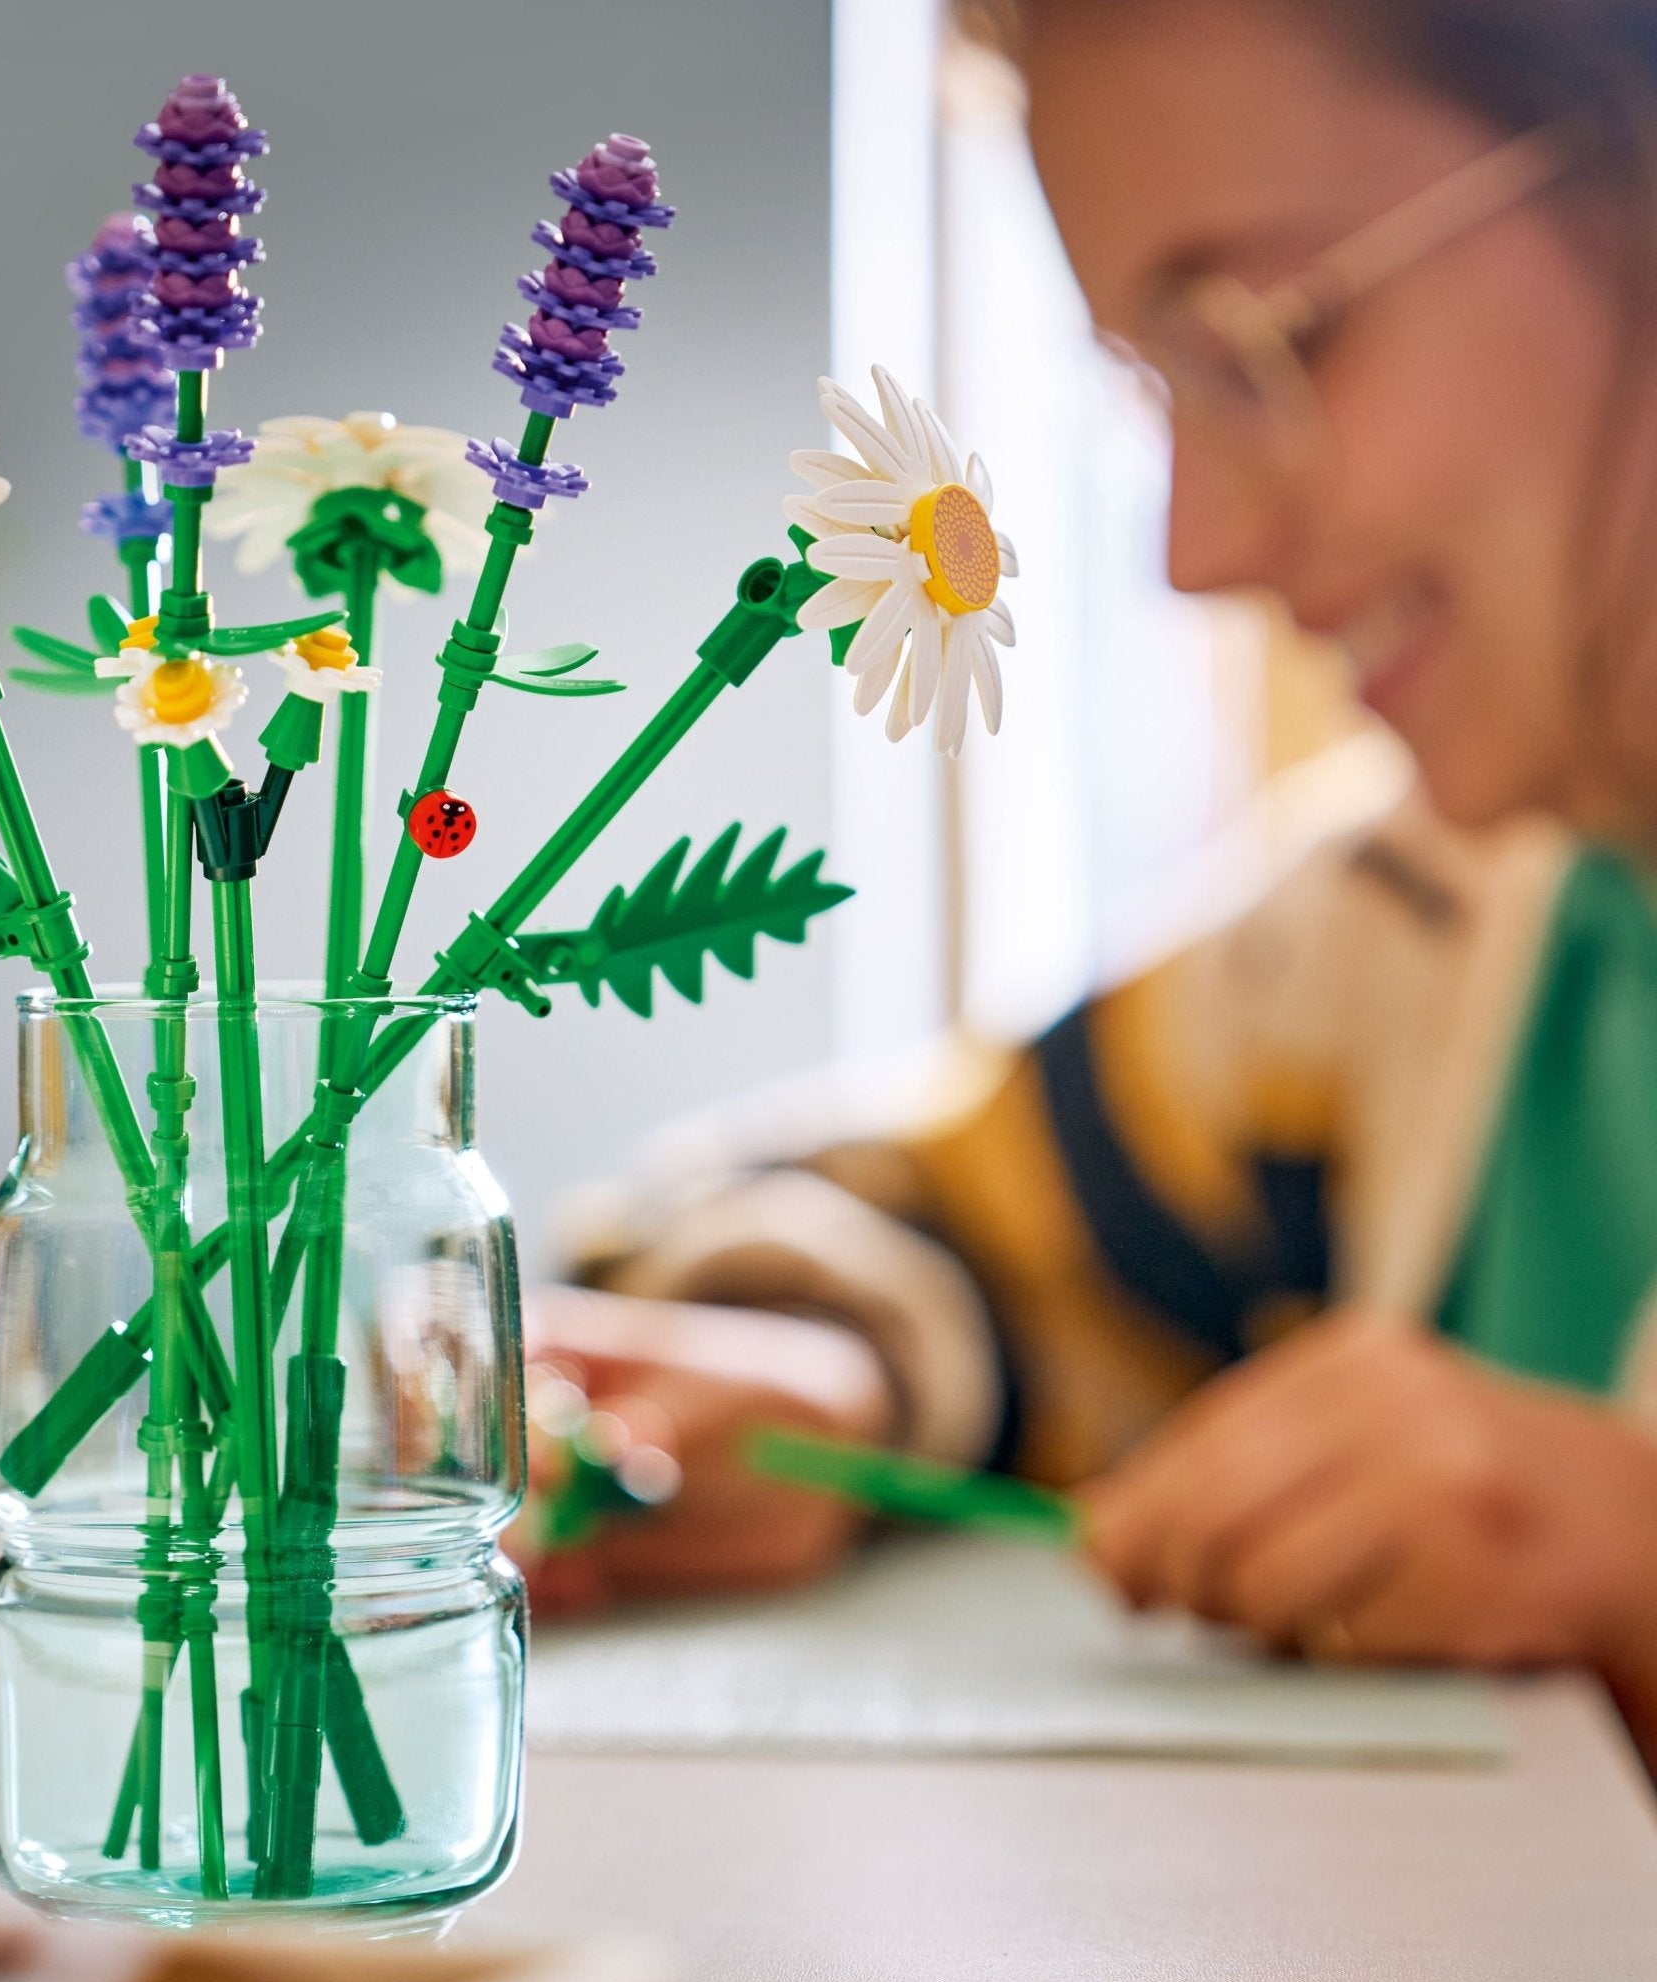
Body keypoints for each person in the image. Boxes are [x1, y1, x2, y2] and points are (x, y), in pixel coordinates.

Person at [518, 0, 1657, 1761]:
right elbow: (971, 1211)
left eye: (1266, 335)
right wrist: (839, 1366)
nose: (1199, 549)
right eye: (1155, 385)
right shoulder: (1443, 920)